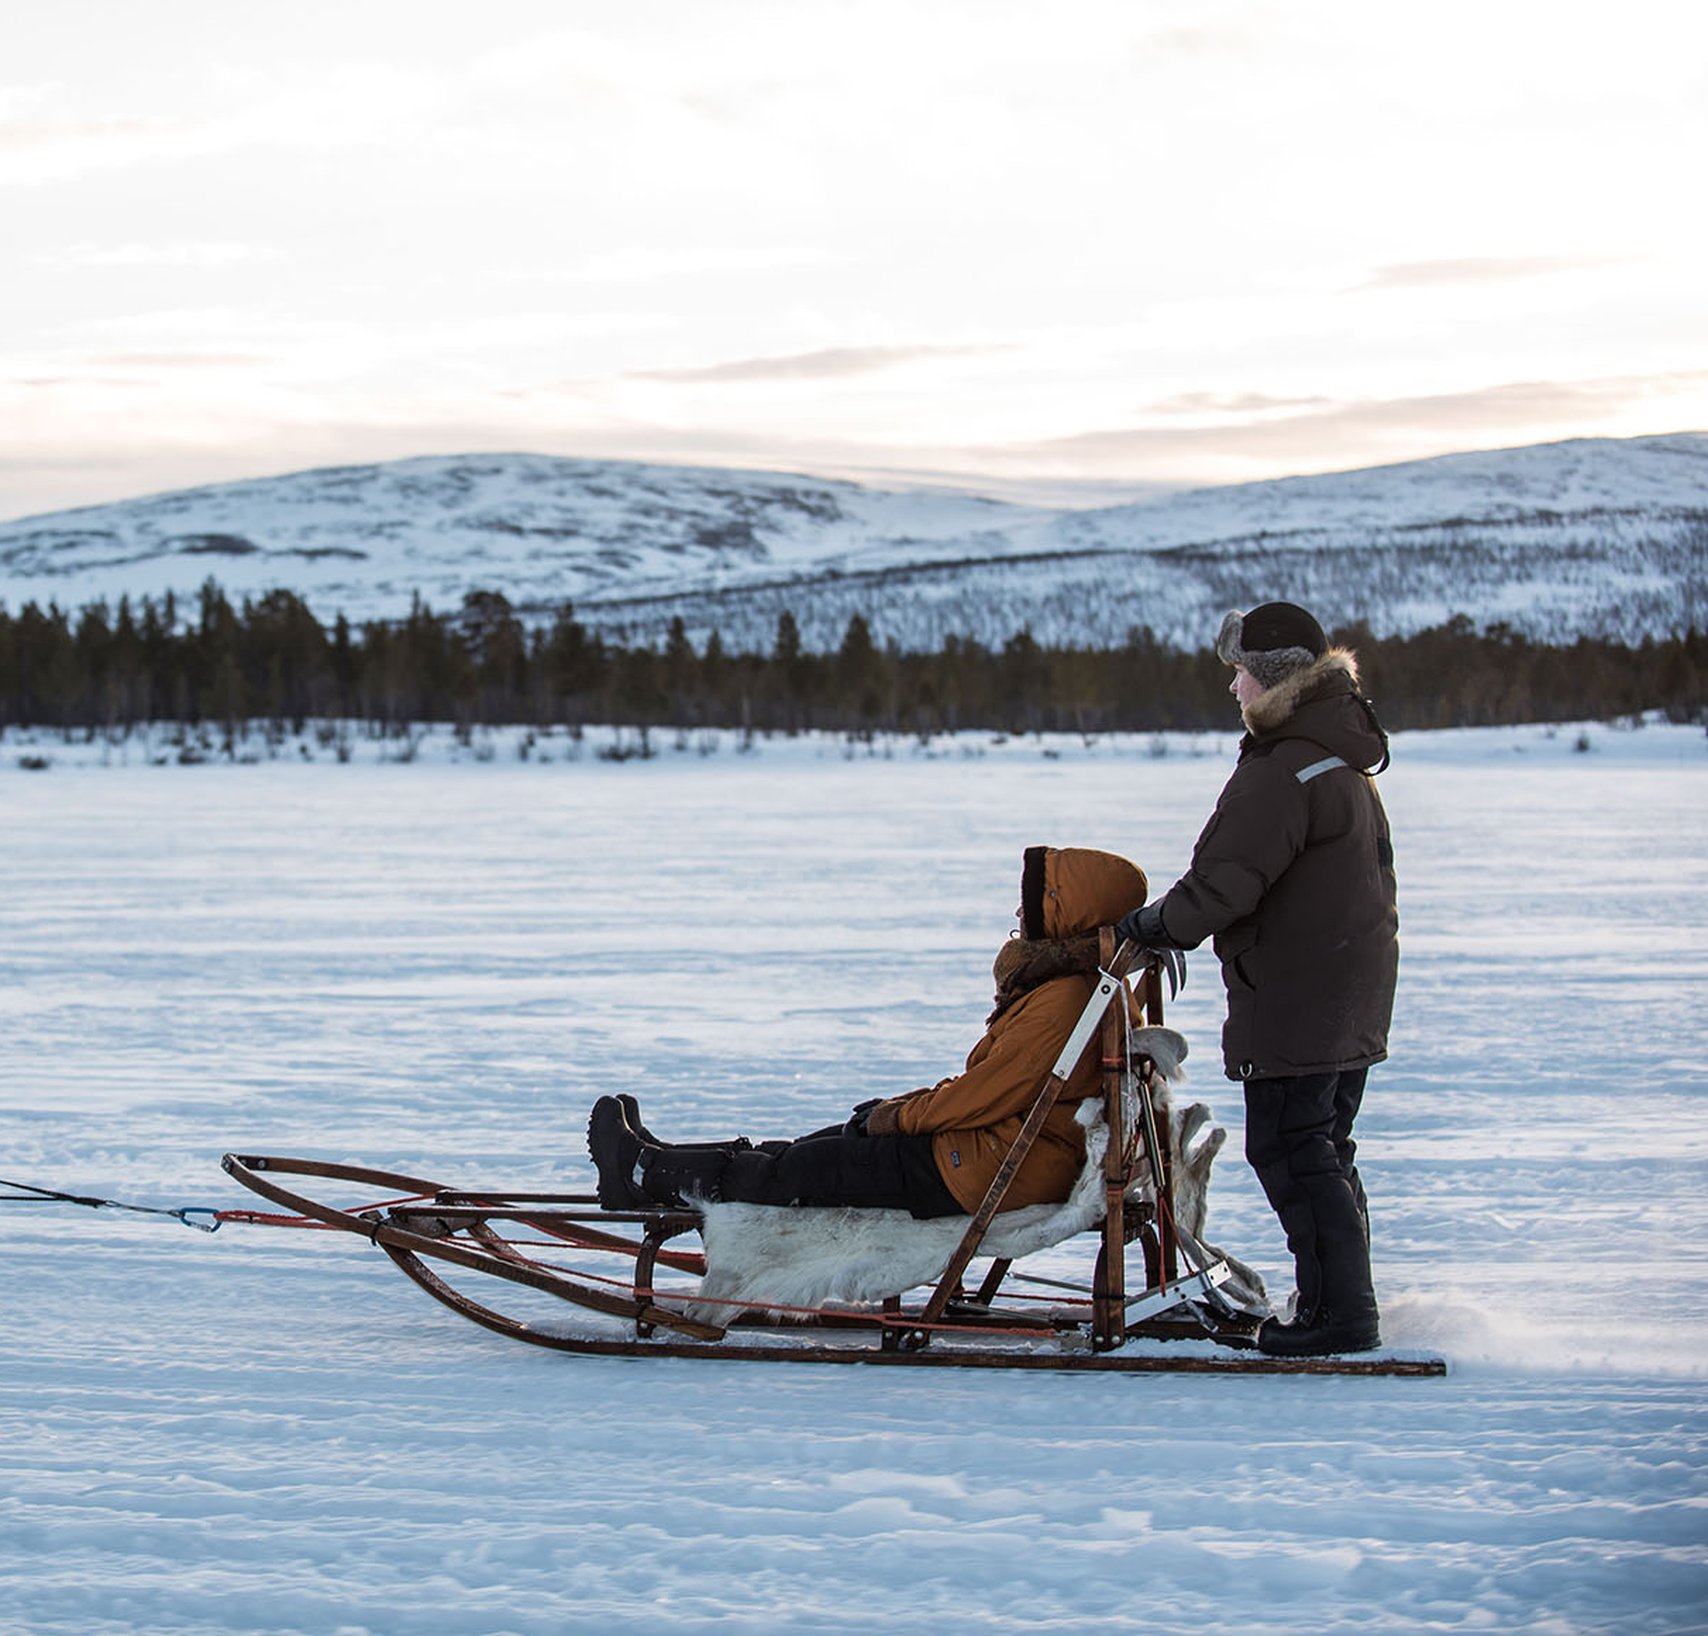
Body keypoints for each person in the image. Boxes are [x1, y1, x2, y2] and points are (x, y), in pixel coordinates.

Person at [1116, 601, 1398, 1358]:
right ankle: (1341, 1298)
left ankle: (1341, 1316)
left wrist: (1148, 927)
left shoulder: (1286, 768)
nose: (1233, 689)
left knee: (1293, 1149)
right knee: (1323, 1147)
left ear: (1273, 680)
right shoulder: (1334, 756)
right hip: (1346, 989)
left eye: (1240, 673)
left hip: (1302, 995)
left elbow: (1223, 884)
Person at [587, 846, 1149, 1218]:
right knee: (815, 1149)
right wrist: (901, 1109)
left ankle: (640, 1175)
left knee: (796, 1172)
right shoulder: (1082, 988)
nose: (1019, 916)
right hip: (993, 1155)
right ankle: (663, 1164)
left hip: (984, 1170)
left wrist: (899, 1117)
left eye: (1031, 903)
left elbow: (988, 1093)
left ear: (1063, 912)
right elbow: (995, 1090)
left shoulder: (1067, 999)